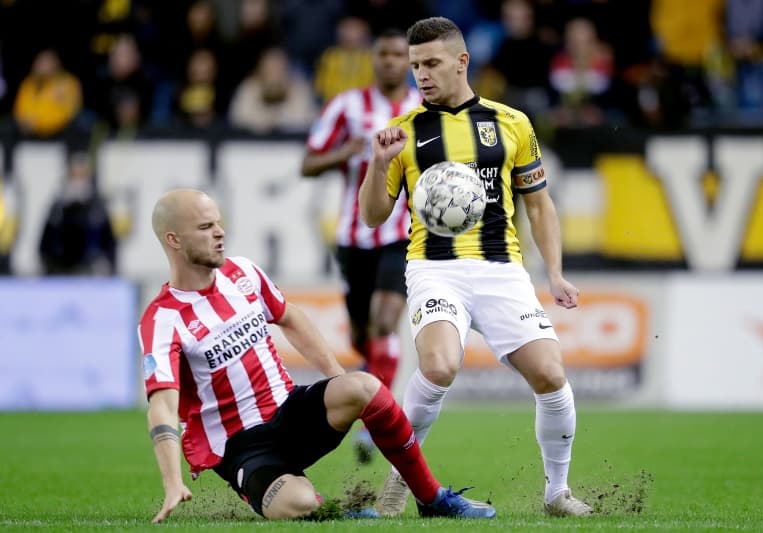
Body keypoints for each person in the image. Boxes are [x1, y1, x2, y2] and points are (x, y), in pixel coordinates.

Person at [139, 188, 496, 522]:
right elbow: (163, 407)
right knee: (299, 502)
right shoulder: (162, 319)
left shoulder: (242, 272)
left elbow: (290, 316)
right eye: (205, 227)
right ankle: (331, 511)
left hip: (290, 411)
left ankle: (431, 498)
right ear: (174, 240)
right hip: (240, 446)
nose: (219, 232)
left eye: (218, 222)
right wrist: (172, 481)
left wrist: (334, 374)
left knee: (363, 386)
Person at [358, 17, 593, 518]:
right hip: (434, 268)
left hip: (502, 270)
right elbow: (374, 216)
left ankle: (557, 493)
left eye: (432, 64)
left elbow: (539, 206)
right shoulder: (403, 133)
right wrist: (377, 165)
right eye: (415, 65)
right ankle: (401, 484)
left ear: (462, 62)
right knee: (439, 365)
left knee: (551, 376)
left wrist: (553, 273)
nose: (421, 74)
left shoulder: (512, 123)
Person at [301, 28, 422, 464]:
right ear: (373, 60)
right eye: (383, 54)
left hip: (403, 233)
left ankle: (375, 423)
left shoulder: (423, 109)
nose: (390, 61)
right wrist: (347, 151)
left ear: (407, 62)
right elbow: (308, 162)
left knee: (385, 321)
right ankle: (374, 391)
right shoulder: (347, 106)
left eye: (398, 55)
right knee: (361, 335)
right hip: (354, 236)